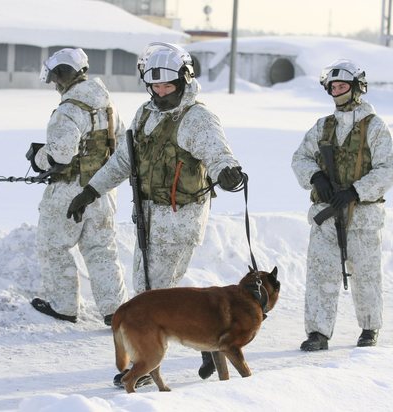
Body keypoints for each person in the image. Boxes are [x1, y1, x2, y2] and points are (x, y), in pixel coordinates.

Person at [67, 42, 243, 383]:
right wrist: (90, 190)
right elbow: (123, 161)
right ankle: (207, 345)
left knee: (153, 296)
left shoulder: (197, 118)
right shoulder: (146, 114)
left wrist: (228, 172)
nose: (161, 91)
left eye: (168, 85)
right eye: (155, 85)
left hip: (180, 217)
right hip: (149, 215)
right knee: (152, 290)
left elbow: (218, 152)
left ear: (184, 80)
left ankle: (144, 369)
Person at [292, 59, 393, 350]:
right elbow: (300, 158)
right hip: (326, 214)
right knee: (320, 273)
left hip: (363, 215)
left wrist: (356, 191)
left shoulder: (374, 127)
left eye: (343, 85)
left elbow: (389, 167)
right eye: (333, 86)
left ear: (356, 88)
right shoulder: (323, 127)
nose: (337, 90)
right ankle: (318, 332)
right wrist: (316, 177)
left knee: (365, 274)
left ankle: (369, 327)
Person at [28, 48, 128, 326]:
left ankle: (63, 306)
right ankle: (115, 312)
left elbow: (60, 153)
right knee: (101, 249)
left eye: (54, 79)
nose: (54, 85)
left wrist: (37, 157)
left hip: (69, 190)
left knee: (53, 245)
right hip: (102, 190)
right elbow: (120, 142)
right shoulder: (108, 104)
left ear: (62, 74)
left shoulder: (69, 109)